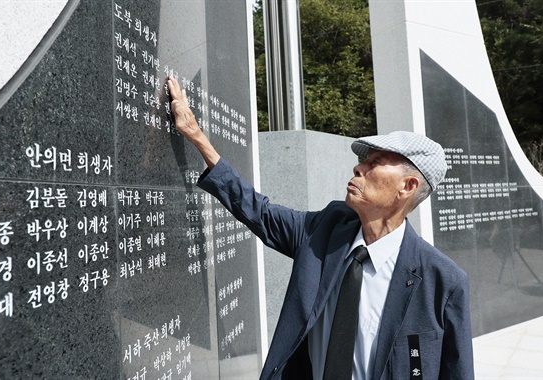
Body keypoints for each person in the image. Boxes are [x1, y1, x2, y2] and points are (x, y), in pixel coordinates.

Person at [167, 77, 474, 380]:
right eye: (362, 161)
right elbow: (258, 210)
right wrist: (197, 137)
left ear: (407, 186)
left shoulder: (442, 281)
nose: (358, 168)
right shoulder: (324, 231)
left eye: (375, 162)